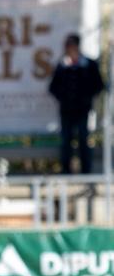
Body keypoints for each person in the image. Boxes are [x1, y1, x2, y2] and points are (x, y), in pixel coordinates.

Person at [49, 33, 104, 175]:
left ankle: (86, 171)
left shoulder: (88, 65)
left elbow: (98, 85)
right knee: (66, 141)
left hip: (82, 110)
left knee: (83, 139)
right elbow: (53, 87)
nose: (69, 49)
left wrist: (86, 96)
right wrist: (64, 97)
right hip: (66, 110)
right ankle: (66, 171)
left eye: (72, 46)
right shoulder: (62, 65)